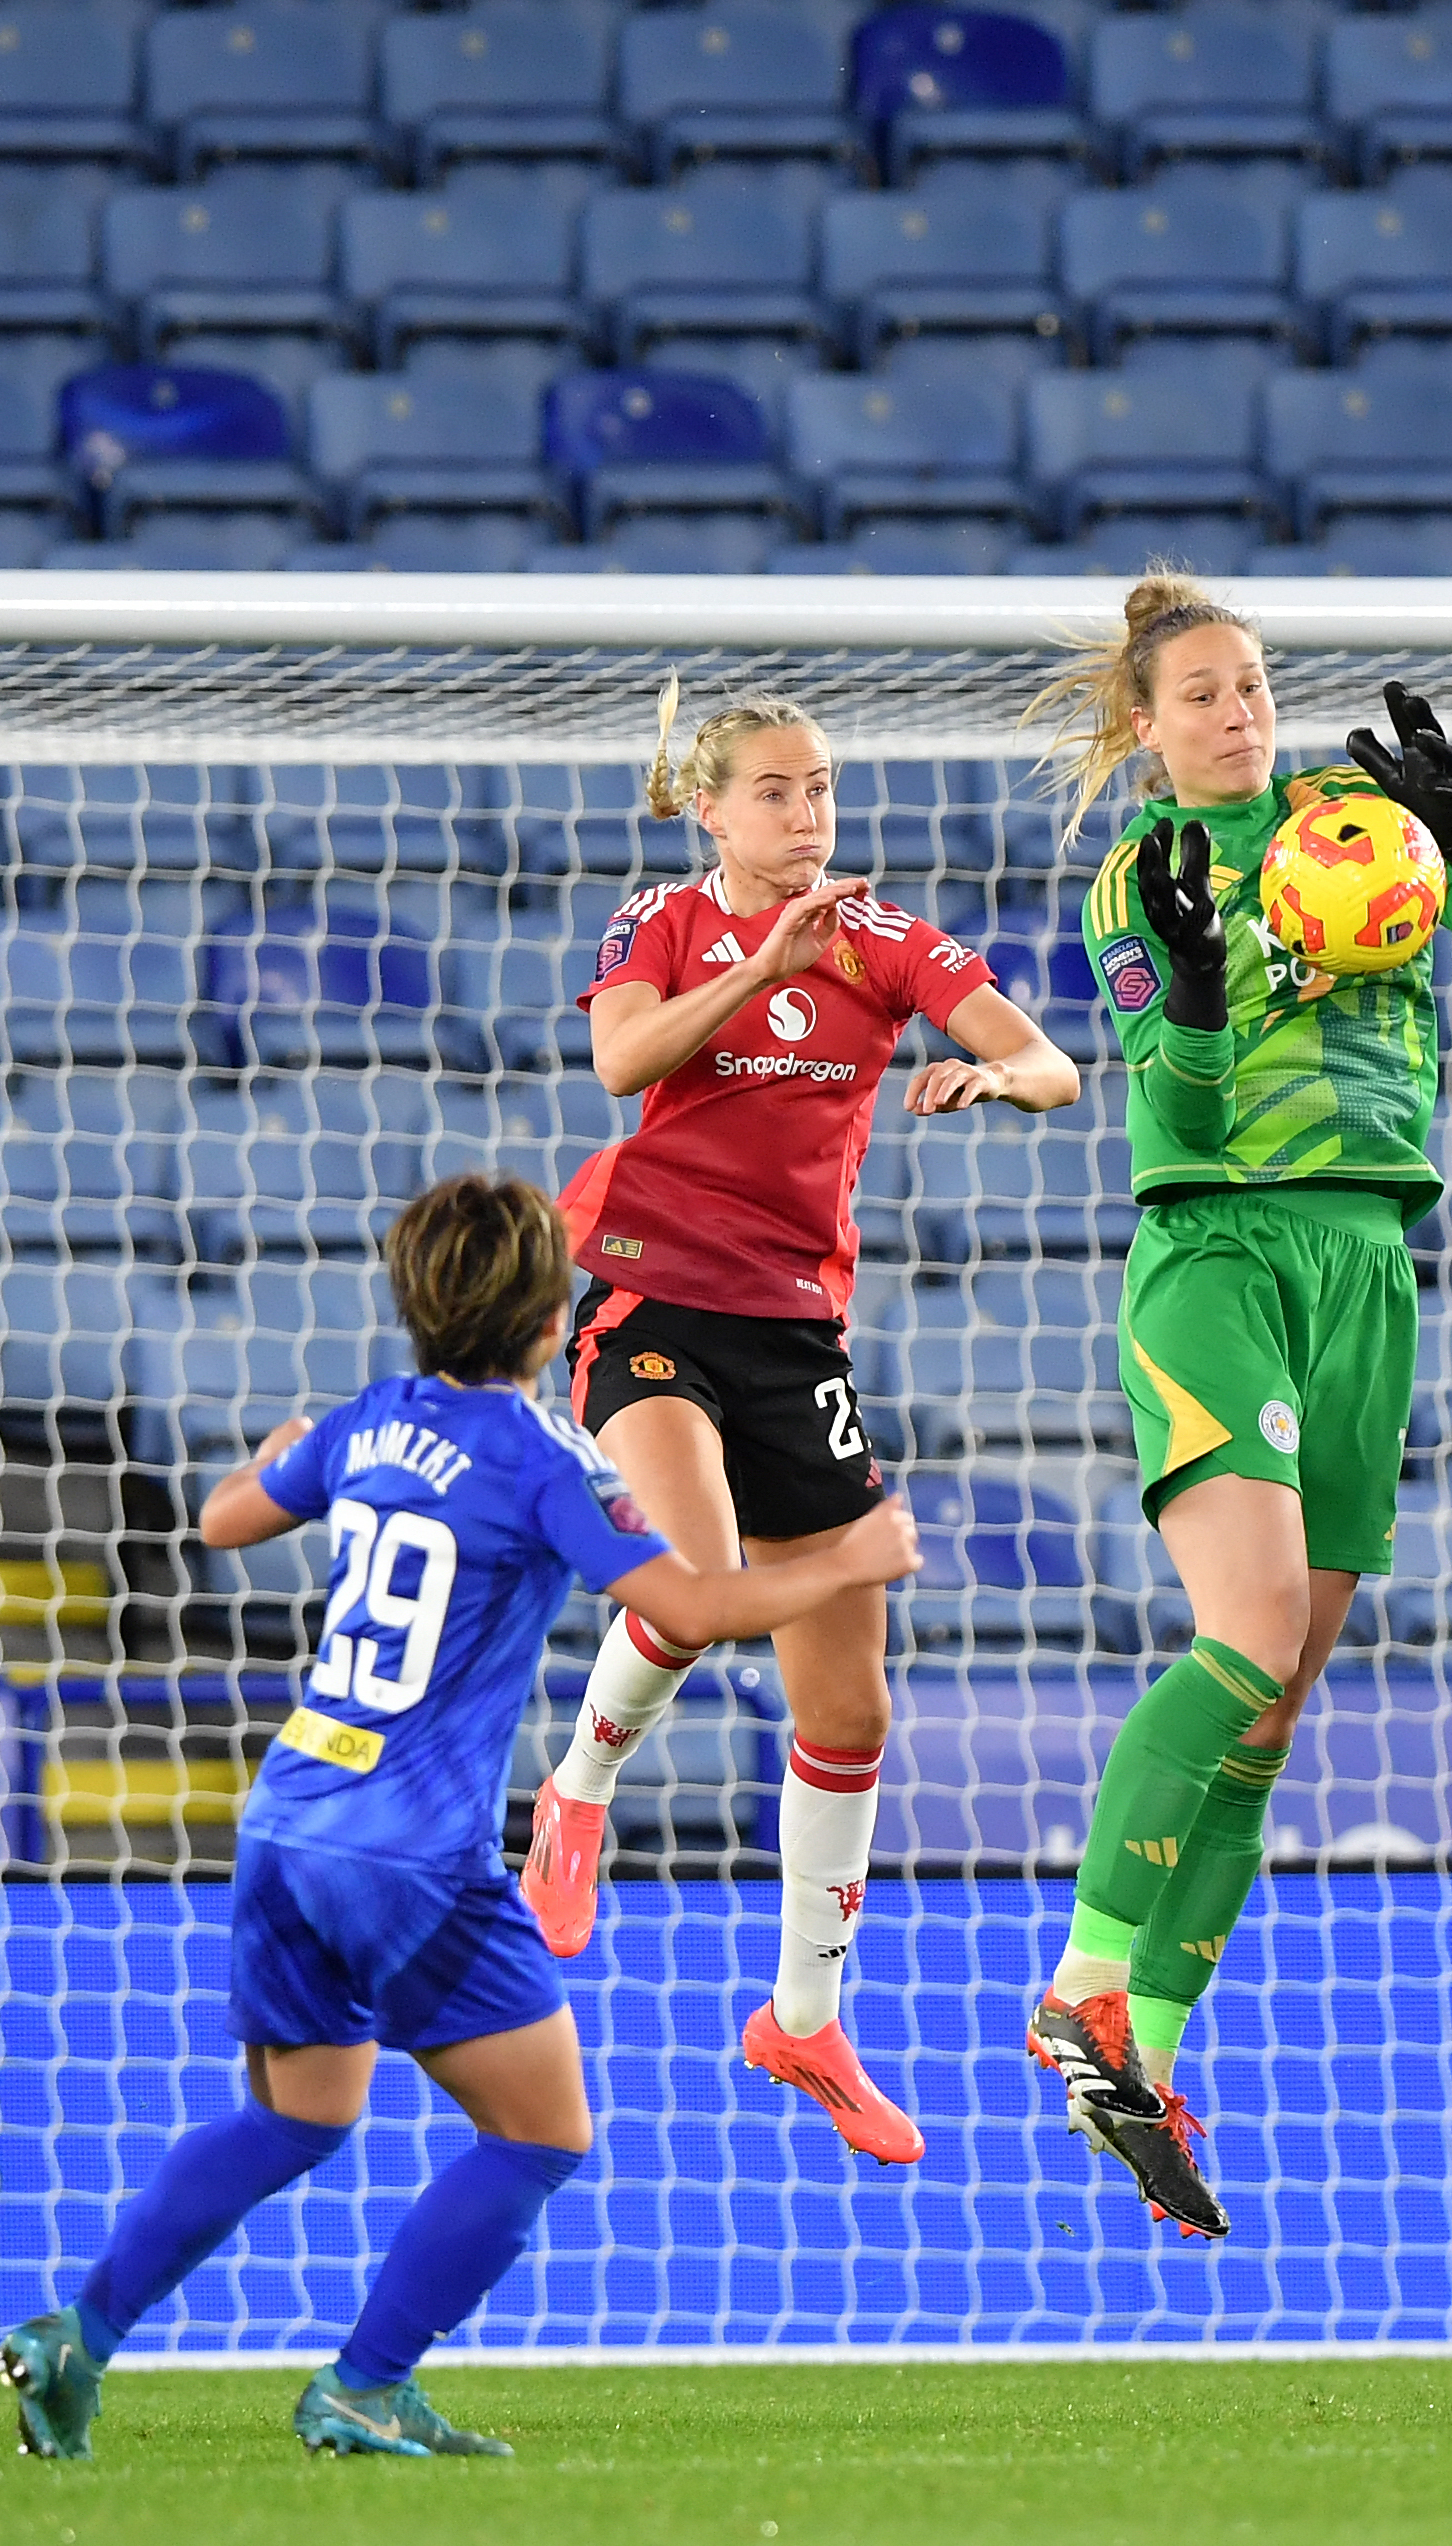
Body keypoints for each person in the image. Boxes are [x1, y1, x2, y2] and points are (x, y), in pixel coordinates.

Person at [0, 1173, 921, 2461]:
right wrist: (849, 1561)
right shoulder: (542, 1463)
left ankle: (74, 2340)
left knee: (297, 2118)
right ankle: (365, 2384)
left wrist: (276, 1455)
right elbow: (696, 1609)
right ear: (553, 1324)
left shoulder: (370, 1422)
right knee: (541, 2133)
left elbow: (219, 1521)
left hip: (288, 1824)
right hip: (413, 1851)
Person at [1012, 572, 1452, 2241]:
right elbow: (1166, 1093)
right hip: (1216, 1256)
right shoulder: (1139, 879)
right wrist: (1196, 983)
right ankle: (1084, 1982)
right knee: (1245, 1638)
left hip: (1366, 1266)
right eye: (1197, 692)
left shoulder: (1356, 822)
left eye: (1249, 683)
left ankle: (1148, 2057)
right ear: (1142, 724)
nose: (1236, 710)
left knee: (1270, 1716)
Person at [518, 681, 1078, 2169]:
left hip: (792, 1334)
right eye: (773, 791)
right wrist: (761, 961)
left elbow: (1052, 1059)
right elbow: (622, 1063)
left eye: (818, 788)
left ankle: (804, 2019)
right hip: (647, 1298)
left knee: (849, 1708)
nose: (805, 814)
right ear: (711, 808)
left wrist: (998, 1077)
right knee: (696, 1590)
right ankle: (573, 1798)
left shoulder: (886, 937)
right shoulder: (660, 921)